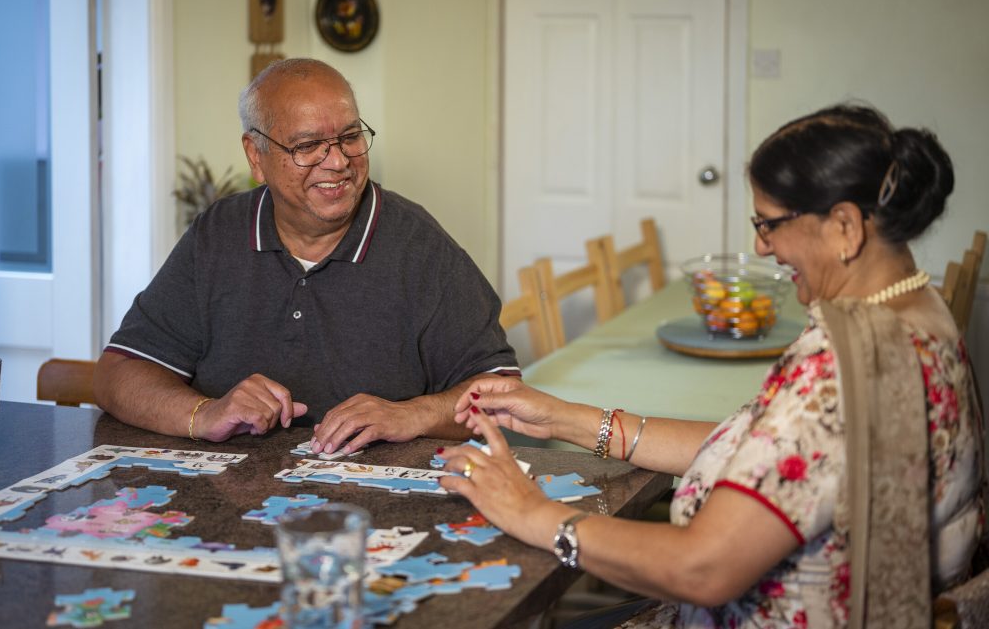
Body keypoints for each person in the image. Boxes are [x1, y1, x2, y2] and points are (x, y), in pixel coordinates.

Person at [437, 104, 984, 628]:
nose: (761, 245)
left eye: (770, 224)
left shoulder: (840, 369)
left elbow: (702, 568)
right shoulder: (916, 312)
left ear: (844, 226)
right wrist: (567, 420)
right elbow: (772, 452)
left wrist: (533, 513)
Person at [94, 58, 519, 449]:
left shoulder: (421, 247)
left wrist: (411, 414)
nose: (337, 161)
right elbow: (119, 374)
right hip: (234, 503)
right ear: (255, 156)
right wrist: (203, 414)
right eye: (307, 145)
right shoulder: (216, 234)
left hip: (376, 512)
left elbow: (504, 394)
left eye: (350, 137)